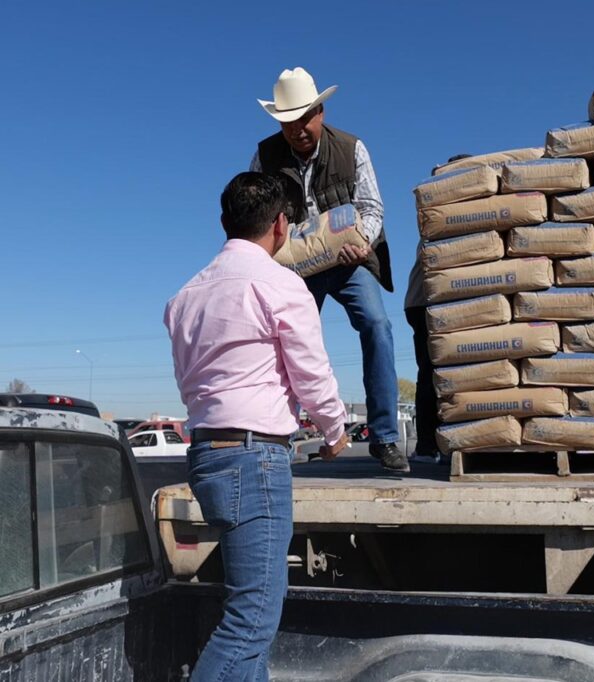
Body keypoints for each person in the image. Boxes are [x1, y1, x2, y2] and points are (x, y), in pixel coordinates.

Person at [165, 172, 351, 680]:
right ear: (281, 225)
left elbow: (191, 382)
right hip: (255, 460)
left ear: (224, 224)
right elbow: (310, 372)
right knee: (251, 620)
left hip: (207, 454)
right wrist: (335, 432)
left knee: (248, 615)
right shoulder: (280, 285)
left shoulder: (185, 297)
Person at [251, 66, 408, 472]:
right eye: (289, 121)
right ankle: (278, 438)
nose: (298, 129)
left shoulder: (352, 148)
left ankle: (385, 438)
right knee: (278, 341)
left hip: (347, 260)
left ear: (320, 111)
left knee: (377, 325)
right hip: (295, 269)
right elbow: (257, 215)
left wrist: (361, 243)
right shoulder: (264, 156)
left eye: (305, 117)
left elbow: (372, 208)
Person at [403, 154, 475, 463]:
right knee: (431, 372)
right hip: (425, 303)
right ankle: (427, 445)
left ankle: (456, 439)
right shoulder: (444, 212)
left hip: (439, 301)